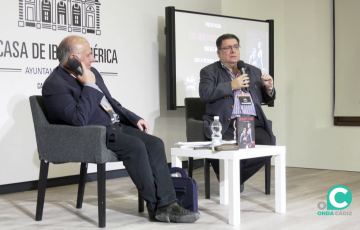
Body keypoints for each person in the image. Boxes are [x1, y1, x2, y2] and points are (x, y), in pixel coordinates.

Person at [42, 35, 200, 223]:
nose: (93, 59)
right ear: (73, 59)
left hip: (116, 126)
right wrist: (89, 85)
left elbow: (111, 103)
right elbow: (78, 120)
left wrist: (134, 118)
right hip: (96, 134)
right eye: (88, 55)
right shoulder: (55, 85)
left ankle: (168, 203)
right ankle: (156, 206)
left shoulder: (93, 72)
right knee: (136, 146)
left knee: (155, 143)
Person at [199, 34, 275, 193]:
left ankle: (233, 179)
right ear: (218, 53)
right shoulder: (209, 71)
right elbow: (205, 94)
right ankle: (230, 178)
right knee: (222, 150)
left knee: (268, 145)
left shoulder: (252, 71)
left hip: (252, 122)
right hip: (226, 123)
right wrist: (231, 85)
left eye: (236, 47)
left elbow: (266, 99)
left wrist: (269, 88)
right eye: (227, 48)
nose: (233, 51)